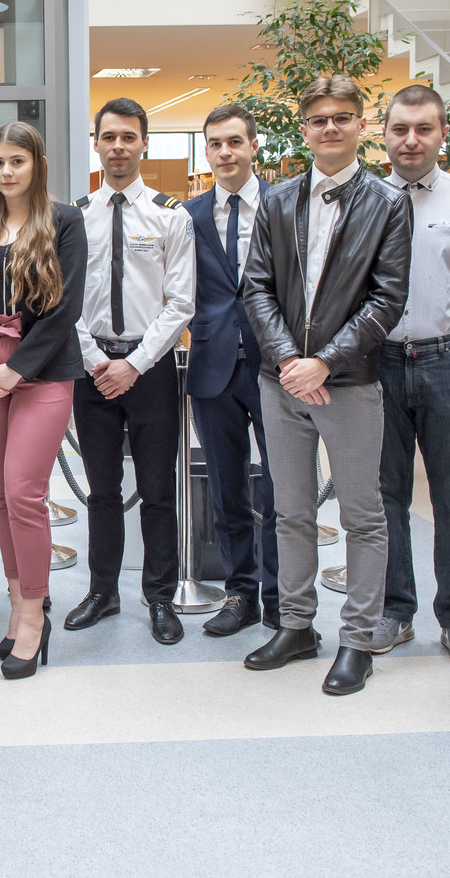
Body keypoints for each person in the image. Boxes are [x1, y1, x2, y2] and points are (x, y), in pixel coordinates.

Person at [240, 75, 411, 696]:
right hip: (280, 380)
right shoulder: (279, 200)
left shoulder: (388, 203)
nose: (330, 128)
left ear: (361, 125)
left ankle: (358, 640)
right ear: (304, 129)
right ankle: (296, 626)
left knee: (363, 515)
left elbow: (388, 300)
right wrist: (290, 359)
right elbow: (256, 286)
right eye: (319, 119)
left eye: (342, 117)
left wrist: (326, 363)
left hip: (352, 382)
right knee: (290, 511)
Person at [0, 121, 86, 680]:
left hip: (41, 370)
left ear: (38, 164)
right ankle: (16, 603)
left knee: (26, 493)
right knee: (2, 497)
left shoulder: (64, 220)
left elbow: (67, 307)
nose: (6, 172)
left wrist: (16, 369)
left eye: (17, 162)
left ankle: (34, 615)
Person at [367, 86, 450, 668]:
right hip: (379, 363)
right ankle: (395, 610)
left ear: (443, 133)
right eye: (400, 129)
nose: (411, 140)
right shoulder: (364, 200)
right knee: (384, 496)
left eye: (424, 128)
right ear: (384, 135)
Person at [67, 98, 196, 645]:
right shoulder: (74, 217)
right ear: (95, 143)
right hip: (91, 368)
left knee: (158, 488)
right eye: (109, 136)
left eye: (128, 136)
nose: (118, 146)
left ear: (145, 143)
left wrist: (135, 364)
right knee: (101, 490)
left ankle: (160, 596)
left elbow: (181, 302)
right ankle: (103, 591)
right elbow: (63, 300)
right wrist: (98, 361)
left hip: (152, 369)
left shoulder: (171, 215)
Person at [188, 103, 280, 638]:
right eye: (215, 144)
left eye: (234, 142)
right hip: (212, 366)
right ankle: (240, 593)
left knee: (282, 491)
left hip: (275, 367)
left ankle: (281, 598)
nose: (225, 152)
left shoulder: (284, 205)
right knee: (227, 490)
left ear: (253, 146)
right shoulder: (188, 215)